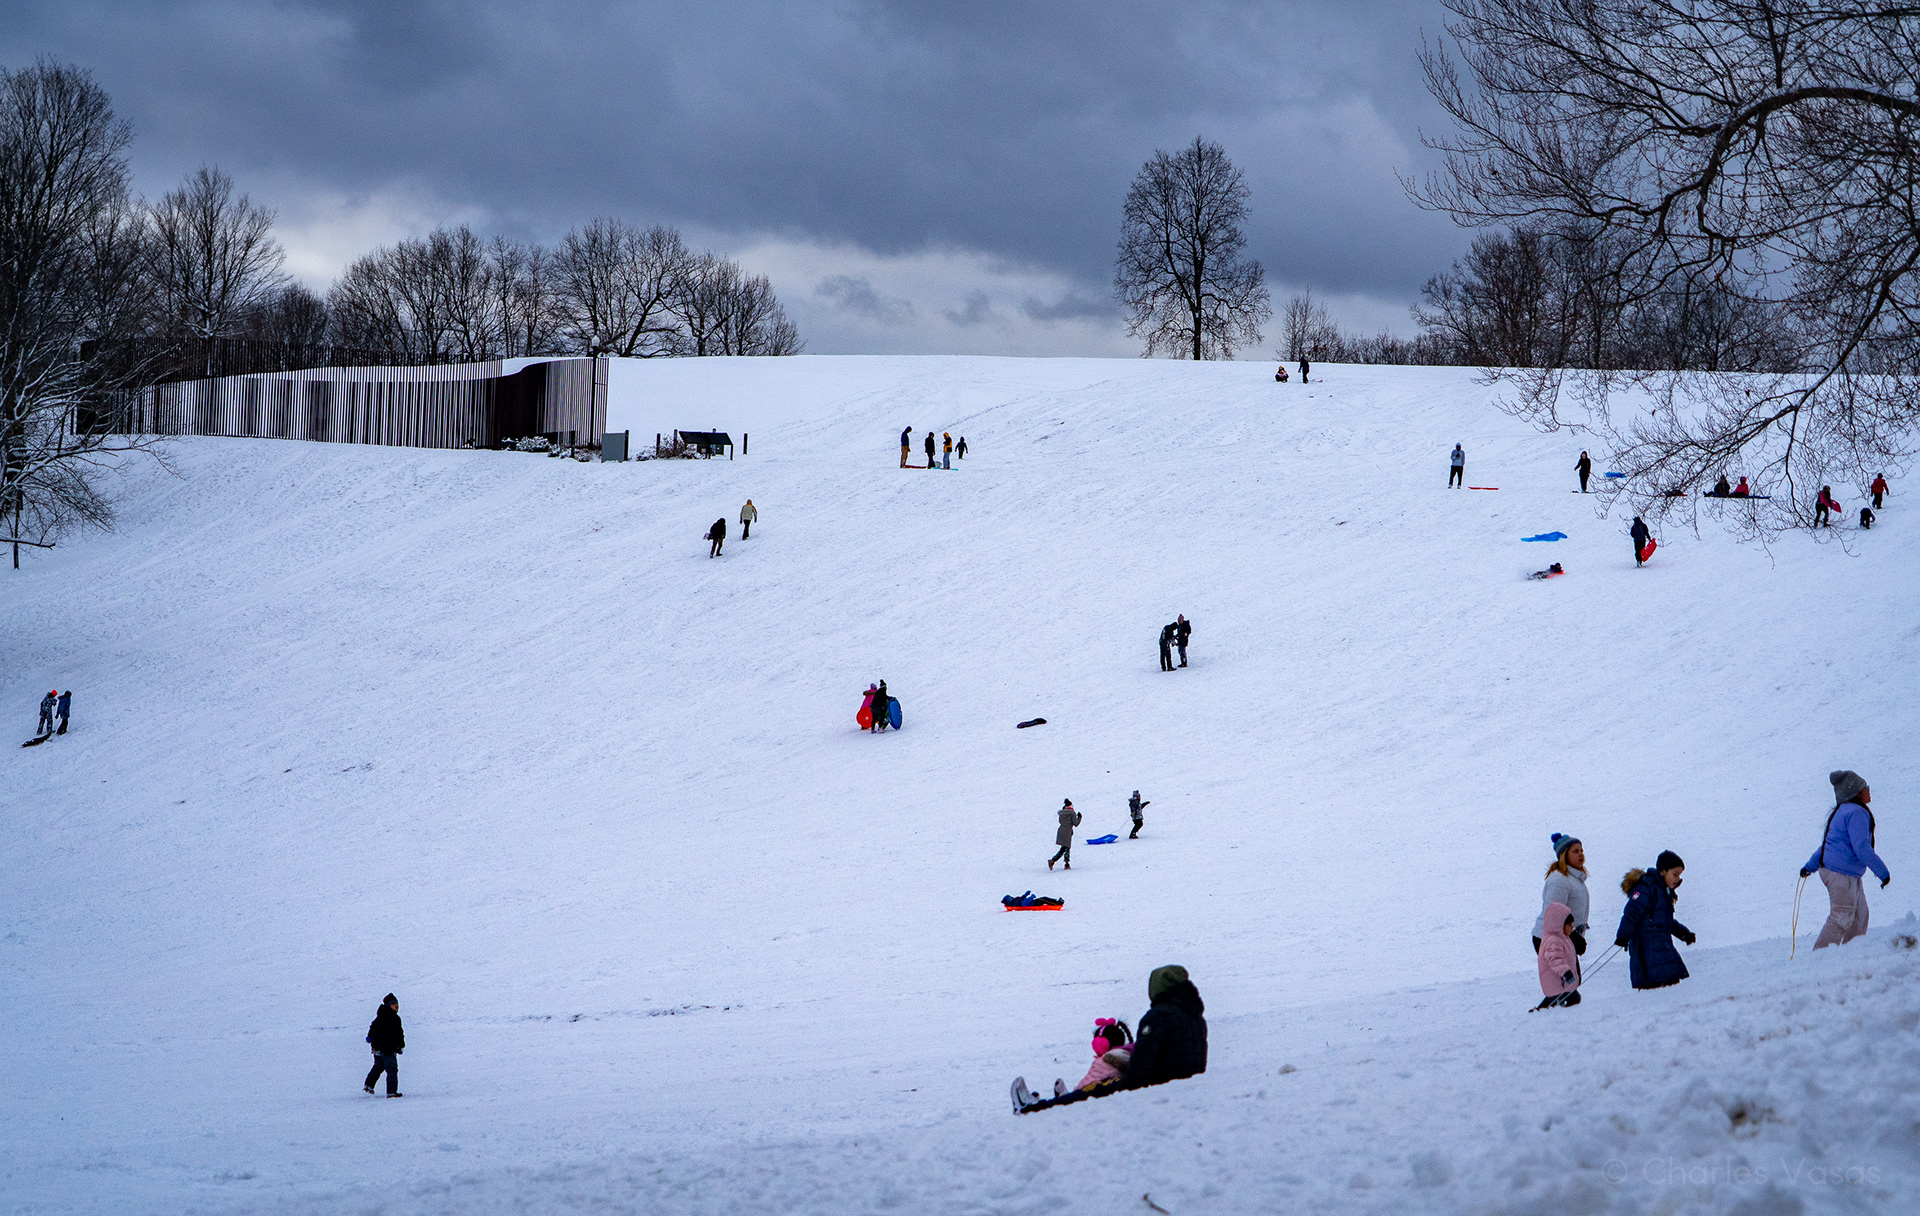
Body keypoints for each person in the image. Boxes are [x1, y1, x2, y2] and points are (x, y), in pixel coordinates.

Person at [1012, 965, 1207, 1113]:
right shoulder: (1196, 1018)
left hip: (1154, 1085)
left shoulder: (1157, 1018)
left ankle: (1034, 1108)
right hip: (1183, 1084)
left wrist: (1119, 1078)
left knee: (1092, 1090)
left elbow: (1140, 1070)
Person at [1801, 770, 1889, 949]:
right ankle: (1819, 958)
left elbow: (1827, 847)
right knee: (1841, 917)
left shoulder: (1842, 812)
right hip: (1841, 875)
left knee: (1859, 916)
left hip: (1841, 873)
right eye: (1866, 787)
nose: (1869, 791)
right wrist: (1883, 872)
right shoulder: (1856, 812)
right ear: (1856, 791)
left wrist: (1809, 867)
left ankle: (1851, 953)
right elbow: (1861, 847)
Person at [1615, 851, 1694, 990]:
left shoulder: (1665, 892)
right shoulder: (1646, 889)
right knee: (1654, 987)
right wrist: (1623, 935)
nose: (1677, 879)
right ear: (1663, 871)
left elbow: (1666, 921)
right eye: (1675, 874)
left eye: (1679, 875)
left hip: (1662, 947)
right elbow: (1631, 913)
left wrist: (1684, 934)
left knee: (1668, 985)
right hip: (1646, 949)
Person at [1533, 833, 1589, 956]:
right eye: (1575, 851)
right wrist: (1574, 937)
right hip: (1551, 941)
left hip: (1563, 938)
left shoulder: (1574, 879)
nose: (1581, 854)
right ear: (1564, 855)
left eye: (1581, 850)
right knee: (1563, 975)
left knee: (1572, 975)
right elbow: (1553, 913)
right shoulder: (1559, 880)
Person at [1535, 903, 1582, 1009]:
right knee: (1570, 1001)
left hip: (1562, 985)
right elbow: (1555, 959)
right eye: (1569, 925)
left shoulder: (1562, 937)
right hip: (1557, 984)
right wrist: (1565, 972)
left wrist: (1578, 933)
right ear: (1559, 925)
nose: (1572, 928)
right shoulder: (1553, 940)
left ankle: (1541, 1010)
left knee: (1572, 999)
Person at [363, 993, 404, 1097]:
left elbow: (373, 1027)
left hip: (377, 1047)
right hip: (388, 1048)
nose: (396, 1005)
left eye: (397, 1003)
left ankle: (369, 1085)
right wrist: (400, 1046)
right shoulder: (394, 1018)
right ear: (388, 1005)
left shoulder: (380, 1016)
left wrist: (370, 1036)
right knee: (392, 1069)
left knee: (379, 1065)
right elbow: (398, 1033)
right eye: (393, 1003)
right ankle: (391, 1092)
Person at [1049, 799, 1081, 871]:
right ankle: (1053, 861)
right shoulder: (1072, 813)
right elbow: (1075, 823)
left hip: (1061, 831)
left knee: (1065, 847)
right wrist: (1079, 817)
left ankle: (1066, 863)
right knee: (1065, 848)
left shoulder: (1061, 813)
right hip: (1067, 831)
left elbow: (1060, 821)